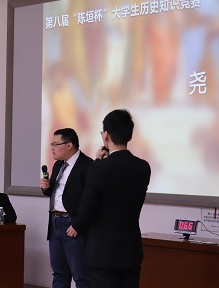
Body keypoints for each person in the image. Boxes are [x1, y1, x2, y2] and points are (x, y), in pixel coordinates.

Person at [69, 109, 151, 288]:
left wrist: (77, 225)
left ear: (105, 135)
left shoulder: (99, 168)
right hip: (130, 251)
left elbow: (89, 205)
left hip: (103, 253)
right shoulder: (143, 167)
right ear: (130, 135)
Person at [40, 128, 93, 288]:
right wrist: (46, 188)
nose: (52, 148)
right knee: (59, 274)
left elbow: (91, 200)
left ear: (69, 145)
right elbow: (56, 193)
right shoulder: (58, 165)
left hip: (72, 225)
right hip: (54, 222)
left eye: (55, 144)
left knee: (81, 276)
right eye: (51, 144)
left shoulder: (88, 165)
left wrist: (78, 224)